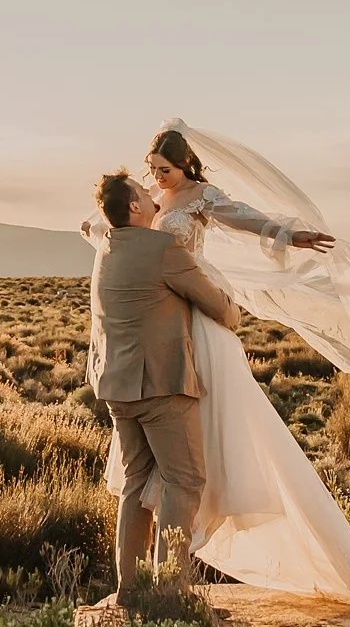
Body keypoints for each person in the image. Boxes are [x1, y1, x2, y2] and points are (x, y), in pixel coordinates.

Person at [83, 121, 350, 627]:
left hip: (180, 339)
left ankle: (151, 585)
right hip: (177, 335)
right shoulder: (149, 216)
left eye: (164, 170)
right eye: (149, 172)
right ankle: (161, 590)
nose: (155, 180)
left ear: (186, 168)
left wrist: (284, 234)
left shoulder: (194, 201)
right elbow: (118, 232)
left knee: (177, 465)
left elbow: (240, 217)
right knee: (174, 474)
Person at [84, 168, 242, 597]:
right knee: (184, 481)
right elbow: (217, 305)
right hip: (160, 387)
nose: (152, 192)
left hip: (116, 387)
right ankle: (169, 593)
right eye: (142, 190)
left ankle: (130, 590)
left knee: (136, 481)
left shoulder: (107, 247)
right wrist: (234, 313)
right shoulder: (162, 248)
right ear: (134, 206)